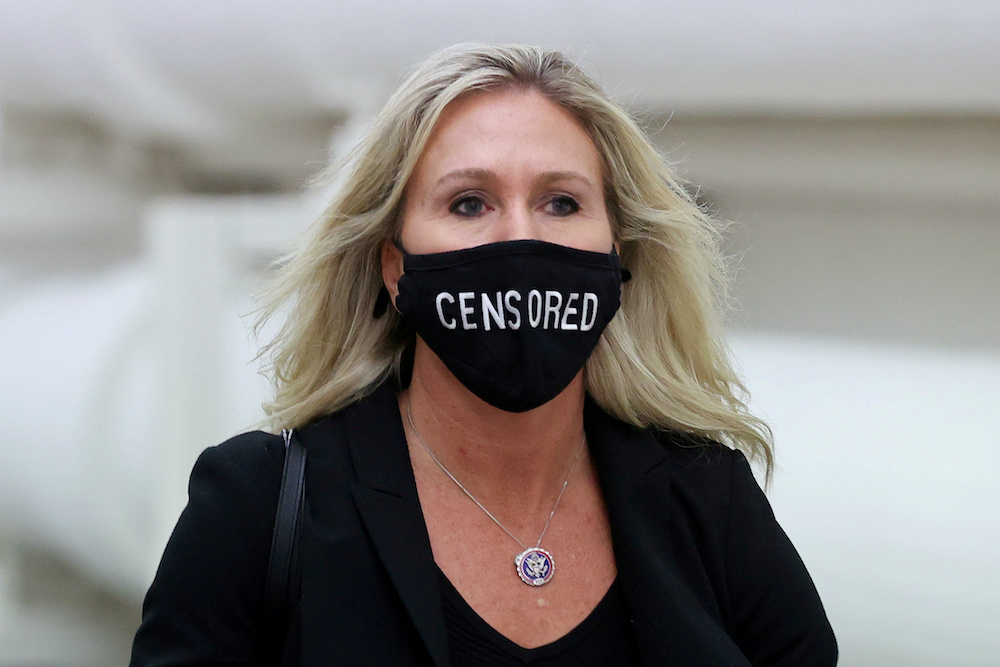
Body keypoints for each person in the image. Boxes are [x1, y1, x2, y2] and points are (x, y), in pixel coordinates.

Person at [130, 44, 837, 666]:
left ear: (617, 251)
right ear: (393, 266)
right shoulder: (256, 507)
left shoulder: (709, 500)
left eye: (561, 202)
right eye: (469, 203)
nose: (518, 238)